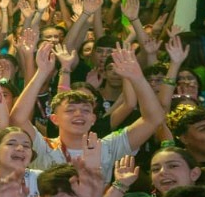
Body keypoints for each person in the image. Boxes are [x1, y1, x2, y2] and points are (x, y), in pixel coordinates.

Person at [11, 44, 164, 179]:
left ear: (93, 119)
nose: (79, 114)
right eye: (70, 110)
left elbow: (153, 119)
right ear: (54, 119)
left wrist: (137, 78)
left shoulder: (107, 147)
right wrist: (42, 73)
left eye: (85, 110)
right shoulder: (43, 147)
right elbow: (17, 119)